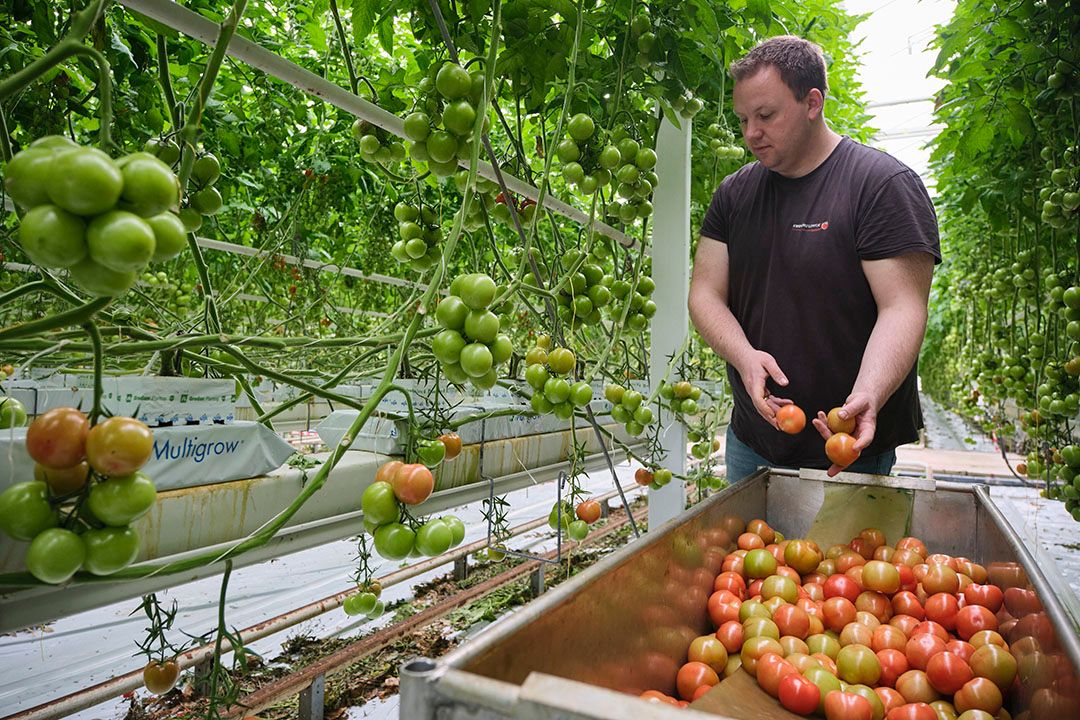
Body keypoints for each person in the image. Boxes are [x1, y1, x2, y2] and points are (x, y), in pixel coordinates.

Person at [687, 36, 941, 480]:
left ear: (812, 103)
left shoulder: (880, 186)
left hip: (850, 447)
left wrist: (869, 394)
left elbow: (902, 307)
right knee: (747, 550)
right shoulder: (734, 194)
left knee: (854, 550)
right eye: (744, 118)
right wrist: (745, 357)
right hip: (754, 441)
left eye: (766, 116)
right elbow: (705, 294)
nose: (751, 133)